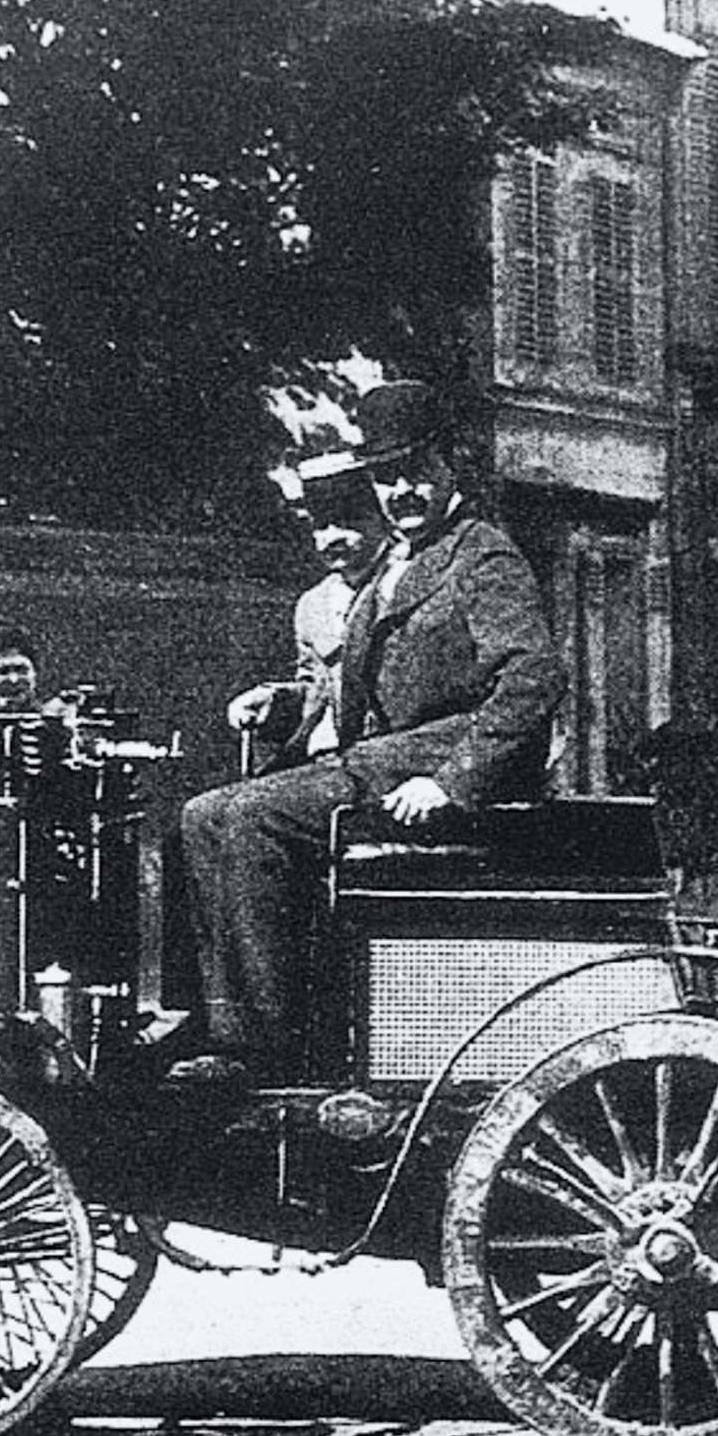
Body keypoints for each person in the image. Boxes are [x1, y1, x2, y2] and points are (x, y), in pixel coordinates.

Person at [174, 380, 568, 1083]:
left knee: (256, 817)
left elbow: (532, 677)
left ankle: (269, 1050)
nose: (402, 491)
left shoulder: (481, 555)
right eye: (387, 477)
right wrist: (284, 706)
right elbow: (350, 690)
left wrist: (452, 781)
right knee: (202, 815)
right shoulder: (393, 564)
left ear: (451, 466)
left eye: (417, 471)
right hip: (379, 758)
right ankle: (216, 1021)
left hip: (433, 761)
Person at [226, 450, 391, 770]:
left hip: (385, 756)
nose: (332, 538)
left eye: (348, 521)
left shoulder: (403, 585)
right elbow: (319, 690)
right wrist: (274, 700)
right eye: (320, 525)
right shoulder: (313, 605)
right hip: (326, 759)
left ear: (382, 518)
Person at [0, 628, 44, 711]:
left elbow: (30, 678)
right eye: (4, 671)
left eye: (21, 671)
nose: (13, 679)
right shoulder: (2, 661)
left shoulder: (24, 661)